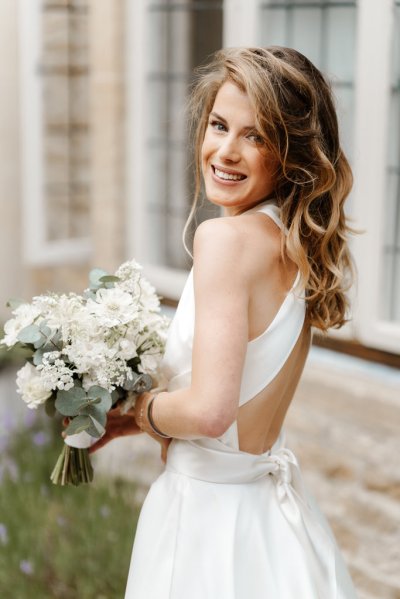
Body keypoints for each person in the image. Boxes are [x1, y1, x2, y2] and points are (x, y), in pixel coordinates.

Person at [92, 46, 358, 598]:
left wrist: (140, 410)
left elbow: (212, 413)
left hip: (205, 526)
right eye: (218, 125)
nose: (226, 152)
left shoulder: (224, 241)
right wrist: (142, 421)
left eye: (256, 137)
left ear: (290, 154)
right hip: (269, 521)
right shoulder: (294, 247)